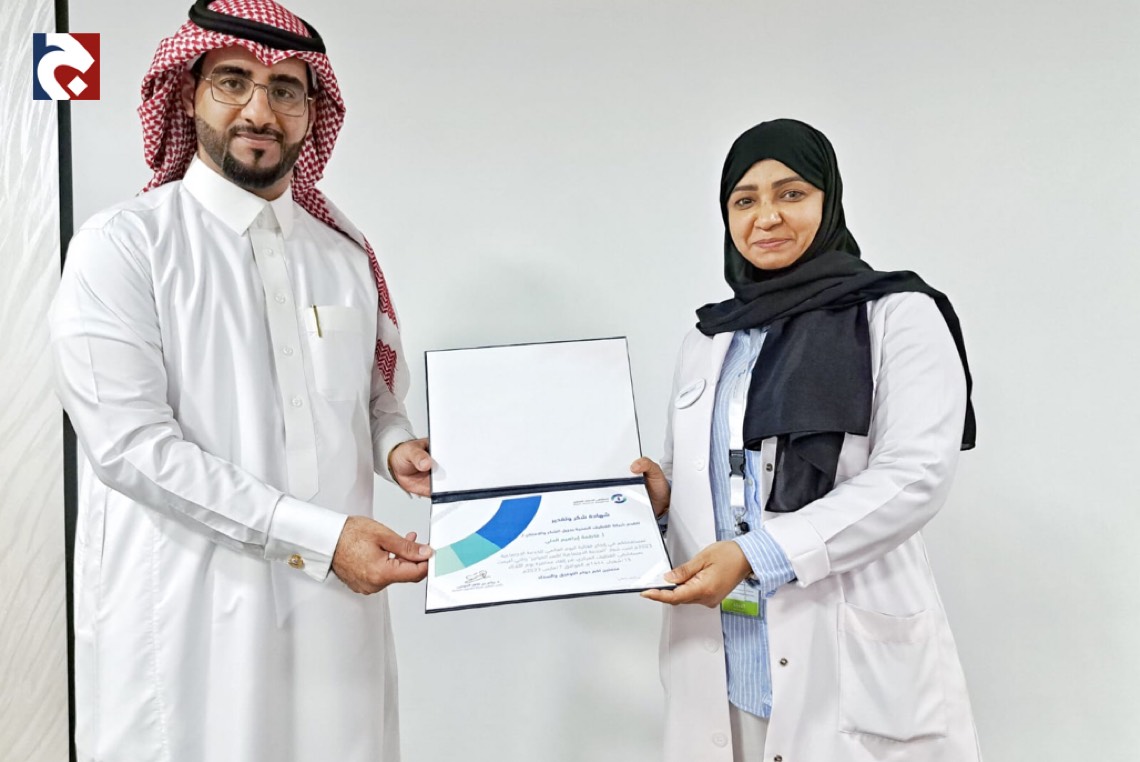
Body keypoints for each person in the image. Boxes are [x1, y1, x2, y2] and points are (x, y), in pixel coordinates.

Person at [50, 2, 434, 759]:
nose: (259, 111)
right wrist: (322, 539)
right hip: (186, 618)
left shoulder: (342, 255)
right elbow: (130, 448)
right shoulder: (124, 245)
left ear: (312, 111)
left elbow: (369, 395)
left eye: (285, 89)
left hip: (333, 618)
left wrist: (395, 445)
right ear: (189, 91)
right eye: (233, 82)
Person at [632, 119, 983, 761]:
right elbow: (709, 476)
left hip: (846, 657)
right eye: (745, 200)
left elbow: (914, 476)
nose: (766, 217)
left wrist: (758, 554)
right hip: (726, 658)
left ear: (829, 200)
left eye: (791, 194)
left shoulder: (898, 314)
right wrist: (662, 496)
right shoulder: (710, 339)